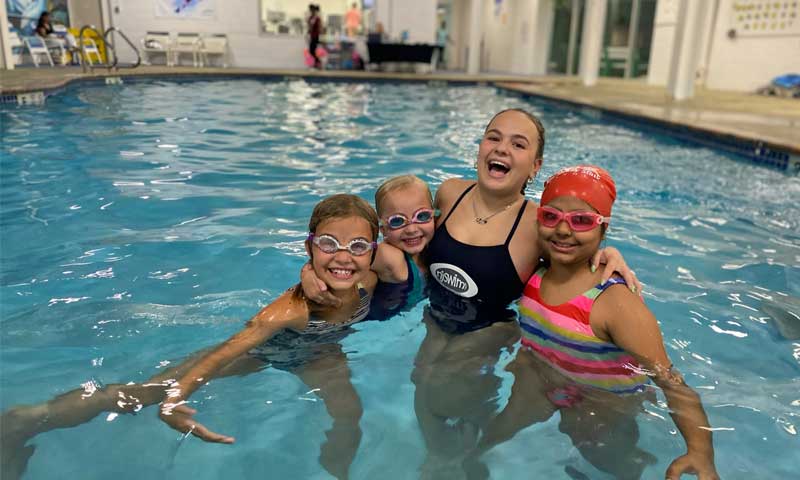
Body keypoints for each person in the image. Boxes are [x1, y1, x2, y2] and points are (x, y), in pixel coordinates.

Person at [2, 194, 380, 480]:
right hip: (269, 350)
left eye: (358, 247)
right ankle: (29, 419)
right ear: (309, 247)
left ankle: (338, 471)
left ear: (372, 252)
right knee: (147, 393)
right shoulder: (289, 310)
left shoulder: (372, 277)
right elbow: (224, 353)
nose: (343, 257)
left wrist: (315, 268)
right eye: (328, 244)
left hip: (322, 351)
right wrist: (176, 398)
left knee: (350, 413)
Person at [412, 109, 640, 475]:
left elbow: (573, 252)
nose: (502, 148)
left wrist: (608, 252)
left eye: (518, 144)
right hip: (435, 321)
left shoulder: (537, 224)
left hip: (488, 333)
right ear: (480, 147)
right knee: (421, 388)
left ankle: (469, 463)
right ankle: (445, 460)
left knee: (449, 393)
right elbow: (408, 239)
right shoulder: (450, 193)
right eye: (494, 137)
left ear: (535, 166)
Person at [467, 166, 719, 480]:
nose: (563, 230)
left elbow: (672, 383)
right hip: (541, 379)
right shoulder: (533, 272)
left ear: (603, 229)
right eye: (551, 216)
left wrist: (700, 452)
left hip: (605, 403)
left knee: (607, 463)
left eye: (582, 220)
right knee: (494, 434)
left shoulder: (614, 304)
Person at [302, 175, 434, 319]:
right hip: (365, 322)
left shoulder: (435, 245)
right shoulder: (389, 257)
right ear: (383, 230)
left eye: (422, 216)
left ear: (434, 216)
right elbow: (341, 257)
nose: (411, 229)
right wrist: (308, 272)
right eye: (397, 221)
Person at [306, 4, 323, 69]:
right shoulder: (310, 17)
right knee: (311, 50)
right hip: (312, 35)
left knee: (312, 50)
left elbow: (319, 27)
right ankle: (317, 63)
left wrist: (320, 33)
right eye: (311, 10)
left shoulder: (317, 18)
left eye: (313, 10)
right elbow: (309, 26)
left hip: (316, 36)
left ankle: (318, 62)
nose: (312, 12)